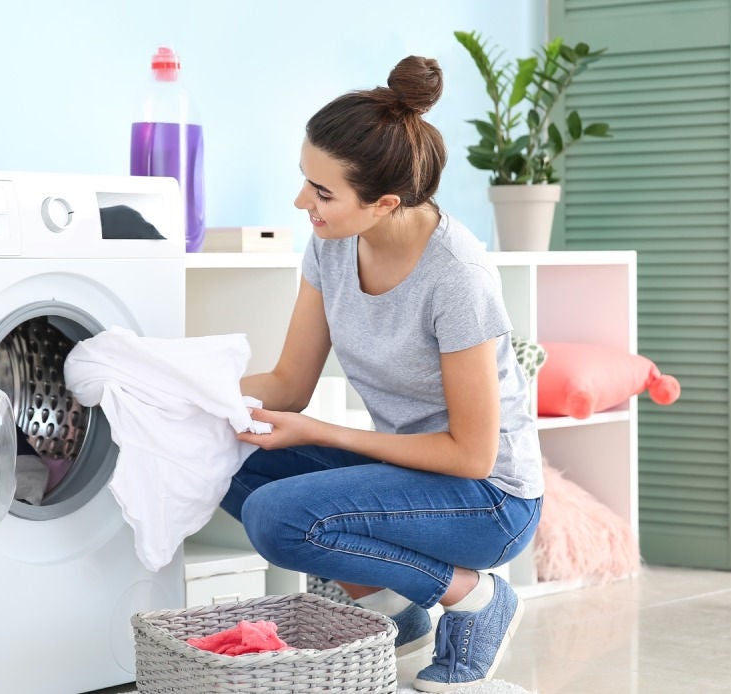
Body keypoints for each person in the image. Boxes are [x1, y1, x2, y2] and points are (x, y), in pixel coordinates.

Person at [220, 55, 543, 692]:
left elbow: (472, 455)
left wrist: (325, 434)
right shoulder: (331, 242)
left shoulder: (457, 277)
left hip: (489, 499)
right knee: (222, 454)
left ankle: (474, 596)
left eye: (322, 192)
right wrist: (177, 389)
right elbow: (288, 384)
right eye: (305, 181)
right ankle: (396, 611)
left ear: (384, 203)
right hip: (410, 475)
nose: (301, 202)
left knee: (278, 518)